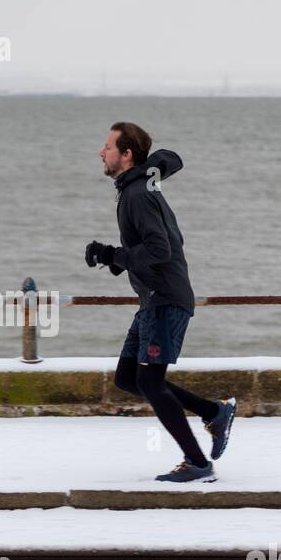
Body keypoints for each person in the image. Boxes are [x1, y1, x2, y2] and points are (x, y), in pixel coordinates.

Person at [86, 121, 236, 482]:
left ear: (126, 155)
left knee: (152, 383)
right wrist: (117, 258)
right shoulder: (140, 183)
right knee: (128, 377)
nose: (100, 153)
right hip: (154, 298)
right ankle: (212, 412)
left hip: (165, 299)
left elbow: (158, 249)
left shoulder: (137, 194)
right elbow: (172, 159)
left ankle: (198, 463)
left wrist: (111, 255)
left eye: (107, 147)